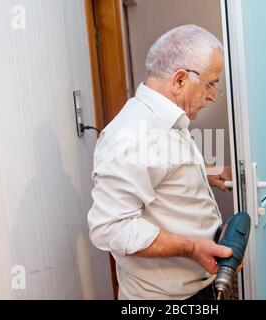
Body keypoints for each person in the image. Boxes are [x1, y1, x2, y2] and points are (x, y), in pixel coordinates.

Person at [88, 24, 234, 300]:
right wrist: (192, 248)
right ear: (180, 80)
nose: (213, 95)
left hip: (196, 287)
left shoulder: (167, 119)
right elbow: (110, 227)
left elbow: (163, 170)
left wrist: (207, 173)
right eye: (211, 84)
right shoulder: (134, 135)